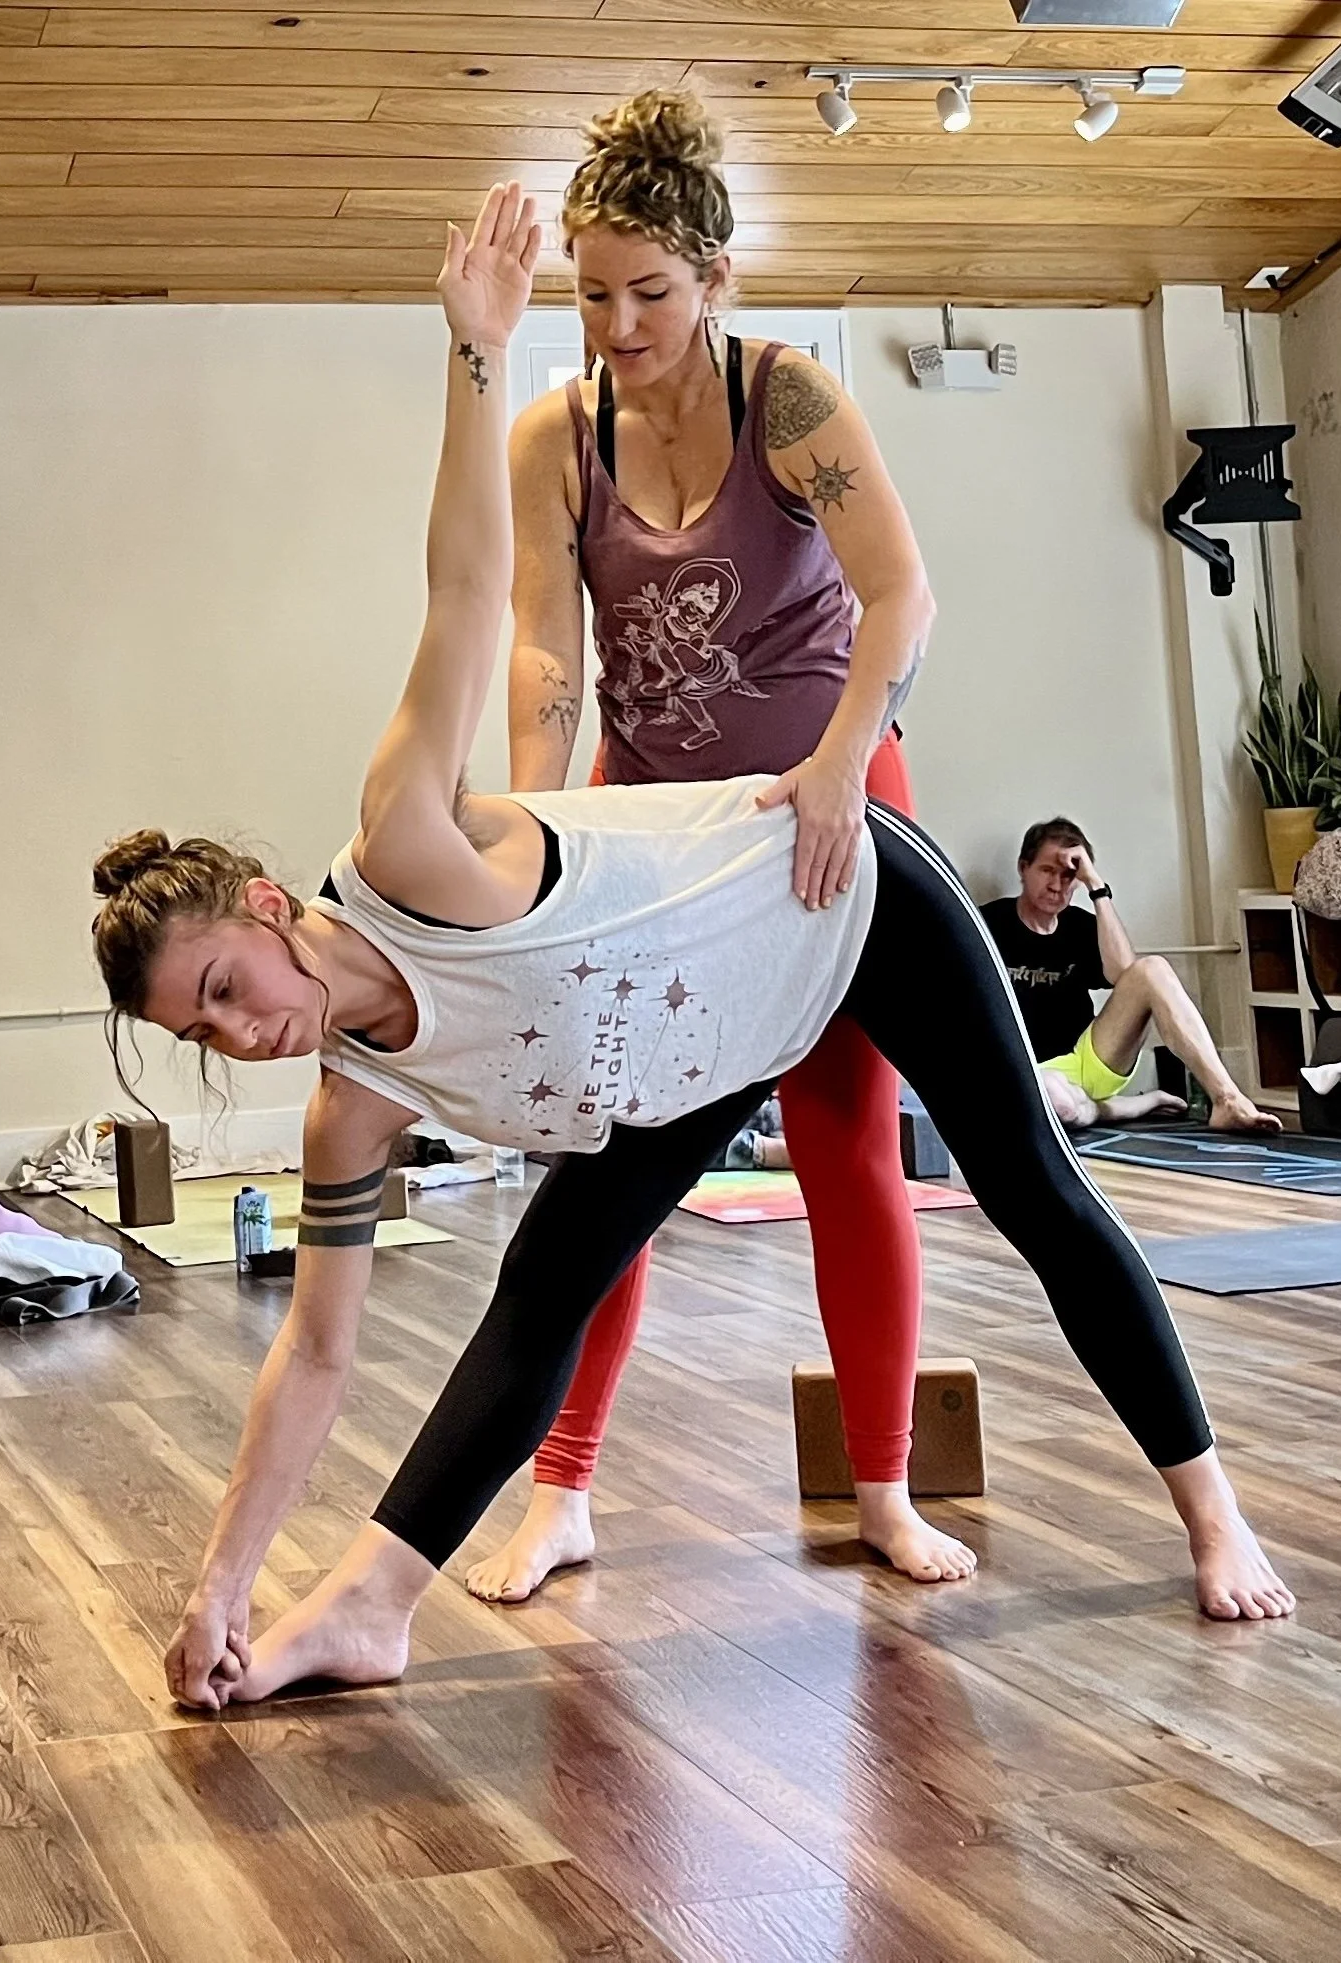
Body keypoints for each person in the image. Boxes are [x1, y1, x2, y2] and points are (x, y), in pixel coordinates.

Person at [91, 189, 1292, 1713]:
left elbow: (464, 594)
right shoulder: (348, 1101)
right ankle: (372, 1603)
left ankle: (1205, 1505)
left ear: (266, 907)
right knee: (547, 1279)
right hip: (687, 1017)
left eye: (222, 990)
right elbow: (314, 1357)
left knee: (1031, 1187)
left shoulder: (405, 837)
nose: (240, 1032)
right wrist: (221, 1581)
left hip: (836, 886)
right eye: (201, 1036)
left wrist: (472, 352)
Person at [483, 87, 952, 1603]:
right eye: (592, 293)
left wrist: (832, 774)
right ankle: (559, 1488)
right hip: (662, 827)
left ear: (716, 277)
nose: (617, 324)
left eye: (651, 293)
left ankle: (880, 1484)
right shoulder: (557, 437)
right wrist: (537, 836)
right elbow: (545, 649)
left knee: (841, 1140)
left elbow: (901, 598)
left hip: (829, 800)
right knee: (612, 1159)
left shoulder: (789, 401)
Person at [981, 819, 1281, 1135]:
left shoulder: (1082, 926)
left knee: (1152, 969)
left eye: (1068, 875)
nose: (1057, 884)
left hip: (1087, 1061)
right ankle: (1130, 1105)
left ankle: (1227, 1098)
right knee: (1061, 1104)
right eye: (1046, 870)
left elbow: (1127, 976)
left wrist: (1096, 886)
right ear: (1023, 868)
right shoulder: (987, 924)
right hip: (1027, 1073)